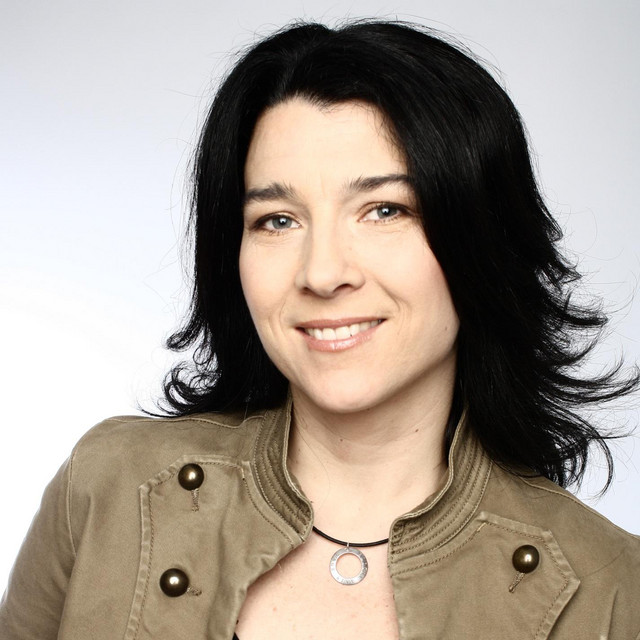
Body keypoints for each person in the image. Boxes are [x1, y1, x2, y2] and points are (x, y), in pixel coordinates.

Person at [1, 19, 639, 640]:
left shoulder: (611, 591)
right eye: (277, 220)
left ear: (480, 239)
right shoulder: (108, 488)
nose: (323, 273)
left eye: (384, 210)